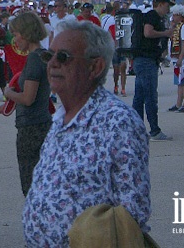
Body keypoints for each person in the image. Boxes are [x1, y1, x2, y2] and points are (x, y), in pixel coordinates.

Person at [23, 19, 150, 247]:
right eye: (48, 56)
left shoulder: (117, 121)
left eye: (63, 57)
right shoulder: (61, 117)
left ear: (95, 67)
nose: (52, 64)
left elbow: (133, 212)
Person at [0, 11, 51, 196]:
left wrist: (9, 92)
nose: (15, 39)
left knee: (30, 186)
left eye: (17, 34)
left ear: (27, 33)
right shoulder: (43, 55)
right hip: (40, 124)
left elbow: (28, 98)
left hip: (31, 129)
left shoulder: (35, 59)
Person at [131, 0, 173, 141]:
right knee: (150, 97)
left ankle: (137, 130)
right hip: (146, 61)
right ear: (159, 4)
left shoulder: (151, 16)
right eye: (167, 5)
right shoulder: (152, 15)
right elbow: (148, 33)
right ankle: (154, 130)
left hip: (141, 60)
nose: (168, 8)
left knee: (139, 97)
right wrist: (165, 33)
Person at [167, 5, 184, 113]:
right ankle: (178, 103)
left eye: (175, 15)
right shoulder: (176, 26)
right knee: (179, 82)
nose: (173, 17)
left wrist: (181, 58)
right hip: (176, 58)